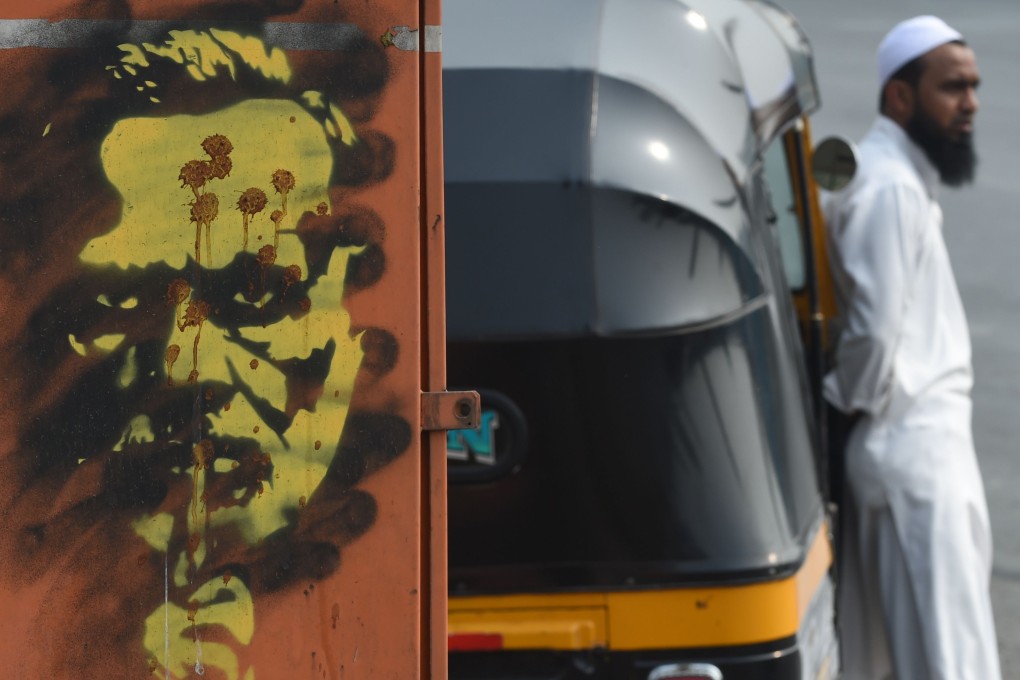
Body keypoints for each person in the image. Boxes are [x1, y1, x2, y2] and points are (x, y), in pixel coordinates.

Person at [823, 15, 1001, 680]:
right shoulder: (890, 188)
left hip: (912, 460)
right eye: (952, 87)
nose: (971, 104)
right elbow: (872, 331)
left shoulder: (893, 178)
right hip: (914, 467)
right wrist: (838, 404)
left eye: (974, 87)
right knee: (951, 662)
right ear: (900, 97)